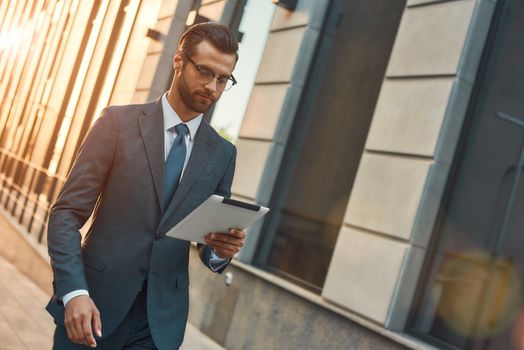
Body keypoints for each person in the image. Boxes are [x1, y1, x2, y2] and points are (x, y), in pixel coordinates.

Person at [46, 22, 245, 349]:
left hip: (159, 325)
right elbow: (66, 213)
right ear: (178, 61)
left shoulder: (223, 153)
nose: (212, 86)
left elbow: (207, 240)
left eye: (223, 79)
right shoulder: (116, 123)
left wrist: (221, 251)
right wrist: (74, 292)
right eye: (204, 72)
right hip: (93, 306)